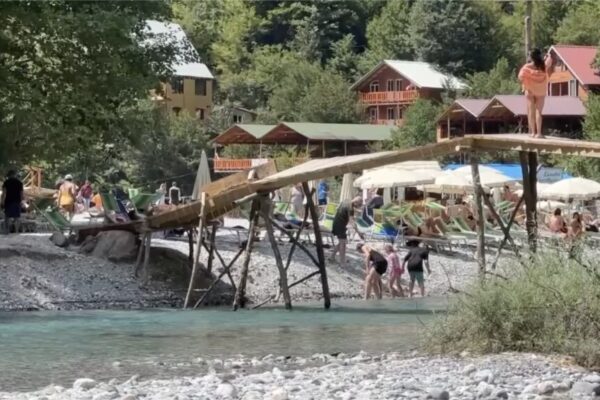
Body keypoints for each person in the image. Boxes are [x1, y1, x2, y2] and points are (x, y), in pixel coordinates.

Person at [518, 48, 554, 138]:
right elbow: (549, 61)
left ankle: (532, 133)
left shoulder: (527, 66)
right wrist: (548, 56)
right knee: (539, 112)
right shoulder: (544, 66)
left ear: (531, 57)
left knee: (531, 111)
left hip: (530, 90)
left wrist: (527, 82)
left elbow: (520, 77)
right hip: (541, 91)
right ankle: (539, 133)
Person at [330, 196, 362, 268]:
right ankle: (342, 263)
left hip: (336, 222)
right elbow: (352, 222)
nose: (358, 207)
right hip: (340, 225)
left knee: (341, 242)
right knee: (343, 244)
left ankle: (332, 257)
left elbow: (337, 208)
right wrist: (359, 232)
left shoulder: (346, 200)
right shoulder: (350, 208)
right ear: (356, 202)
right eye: (359, 205)